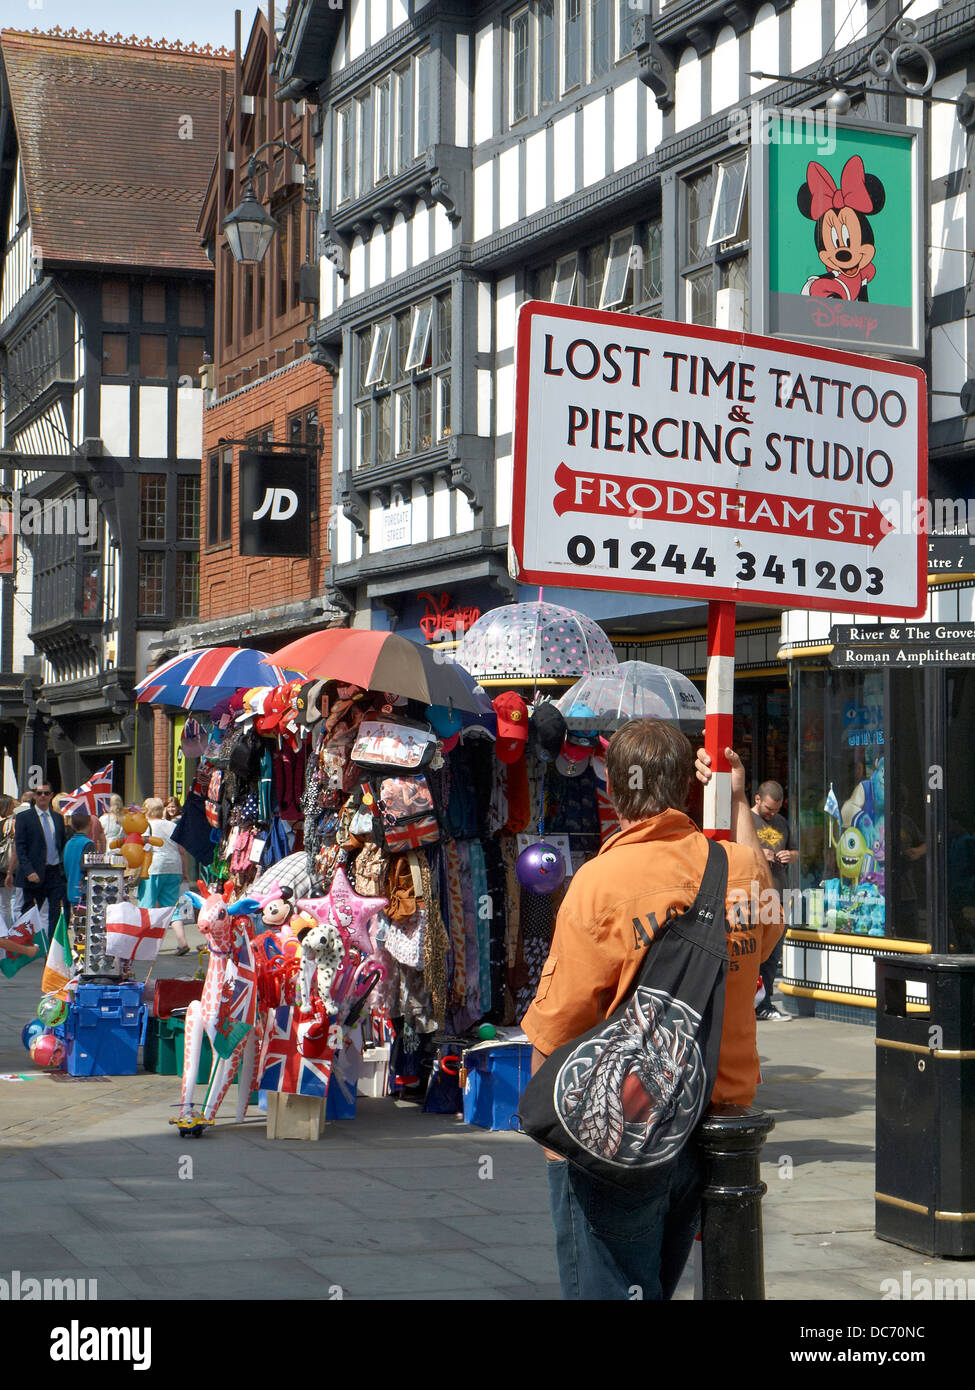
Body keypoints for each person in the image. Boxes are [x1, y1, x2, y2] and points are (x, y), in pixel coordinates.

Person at [521, 720, 783, 1301]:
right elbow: (763, 941)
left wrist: (553, 1137)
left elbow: (560, 1021)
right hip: (717, 1123)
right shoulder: (736, 869)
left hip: (629, 1125)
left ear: (613, 790)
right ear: (685, 790)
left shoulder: (599, 881)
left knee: (612, 1286)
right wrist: (738, 797)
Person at [751, 780, 799, 1022]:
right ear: (757, 799)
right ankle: (754, 1003)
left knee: (772, 955)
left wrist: (791, 855)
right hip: (751, 896)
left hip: (778, 897)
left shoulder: (781, 823)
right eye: (769, 809)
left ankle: (764, 1003)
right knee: (752, 952)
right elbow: (731, 850)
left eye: (776, 810)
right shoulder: (745, 820)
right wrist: (760, 854)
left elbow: (797, 851)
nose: (772, 814)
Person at [13, 782, 69, 932]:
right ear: (34, 796)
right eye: (39, 793)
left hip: (55, 873)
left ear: (51, 795)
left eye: (46, 793)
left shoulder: (58, 818)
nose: (42, 796)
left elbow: (62, 844)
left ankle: (51, 949)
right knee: (29, 914)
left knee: (55, 913)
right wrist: (29, 871)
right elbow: (20, 847)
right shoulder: (24, 817)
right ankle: (29, 948)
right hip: (34, 873)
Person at [139, 797, 189, 953]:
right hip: (174, 867)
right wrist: (184, 872)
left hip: (153, 868)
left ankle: (146, 945)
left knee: (147, 905)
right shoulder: (172, 825)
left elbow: (145, 848)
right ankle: (182, 942)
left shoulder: (147, 827)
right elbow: (181, 850)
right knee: (173, 906)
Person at [63, 809, 95, 907]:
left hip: (71, 889)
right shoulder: (88, 843)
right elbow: (87, 867)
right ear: (90, 824)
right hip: (84, 891)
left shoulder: (68, 843)